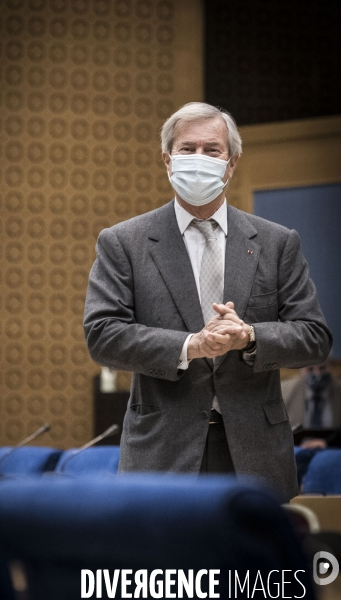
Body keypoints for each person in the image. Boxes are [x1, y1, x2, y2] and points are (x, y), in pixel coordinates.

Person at [83, 102, 332, 502]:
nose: (199, 159)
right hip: (163, 451)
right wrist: (189, 346)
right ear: (167, 160)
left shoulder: (277, 242)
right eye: (187, 149)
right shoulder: (123, 242)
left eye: (212, 150)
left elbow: (315, 337)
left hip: (257, 454)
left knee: (254, 567)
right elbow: (102, 335)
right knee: (166, 566)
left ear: (231, 164)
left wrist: (250, 337)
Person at [282, 361, 341, 434]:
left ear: (331, 366)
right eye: (310, 369)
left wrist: (327, 441)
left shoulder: (338, 390)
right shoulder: (284, 392)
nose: (317, 373)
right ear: (301, 369)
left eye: (322, 368)